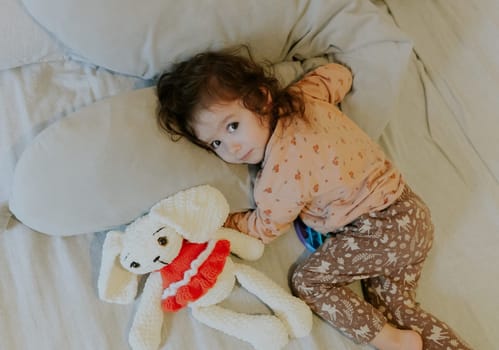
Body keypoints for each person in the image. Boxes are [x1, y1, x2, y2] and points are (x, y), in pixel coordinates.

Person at [155, 49, 471, 350]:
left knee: (308, 281)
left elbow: (263, 228)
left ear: (261, 99)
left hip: (378, 230)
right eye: (217, 143)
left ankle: (390, 342)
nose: (232, 149)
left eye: (233, 126)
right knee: (397, 312)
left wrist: (221, 221)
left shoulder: (279, 175)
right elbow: (338, 76)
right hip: (410, 214)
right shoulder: (304, 96)